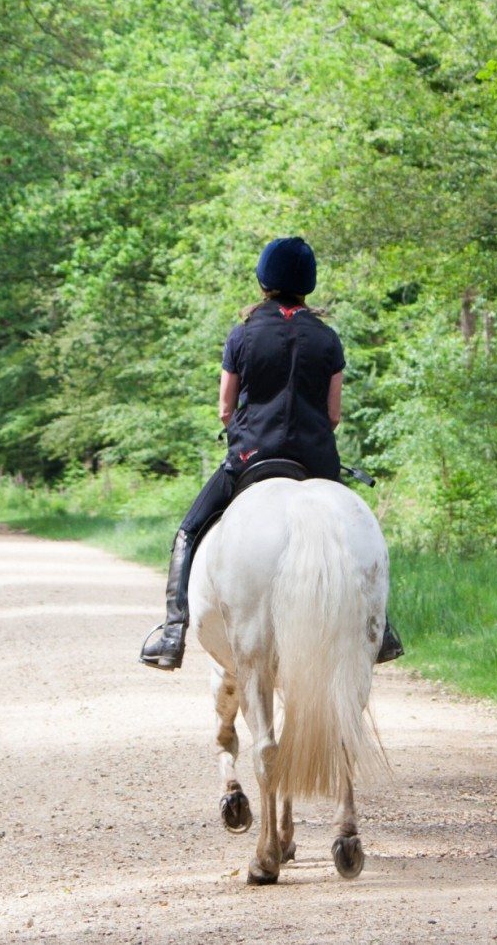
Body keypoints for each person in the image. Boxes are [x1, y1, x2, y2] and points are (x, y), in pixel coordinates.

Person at [140, 236, 405, 670]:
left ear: (263, 281)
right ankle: (382, 630)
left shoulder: (242, 334)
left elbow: (226, 408)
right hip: (315, 461)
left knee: (188, 531)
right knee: (351, 530)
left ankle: (172, 632)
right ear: (309, 285)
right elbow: (333, 414)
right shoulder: (328, 339)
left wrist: (245, 433)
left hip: (250, 458)